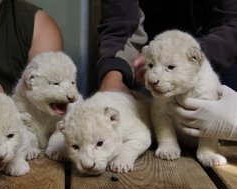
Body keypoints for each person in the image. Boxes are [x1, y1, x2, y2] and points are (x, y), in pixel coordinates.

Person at [96, 0, 237, 139]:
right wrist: (114, 76)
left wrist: (187, 54)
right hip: (145, 60)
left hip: (216, 53)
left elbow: (232, 22)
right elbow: (119, 22)